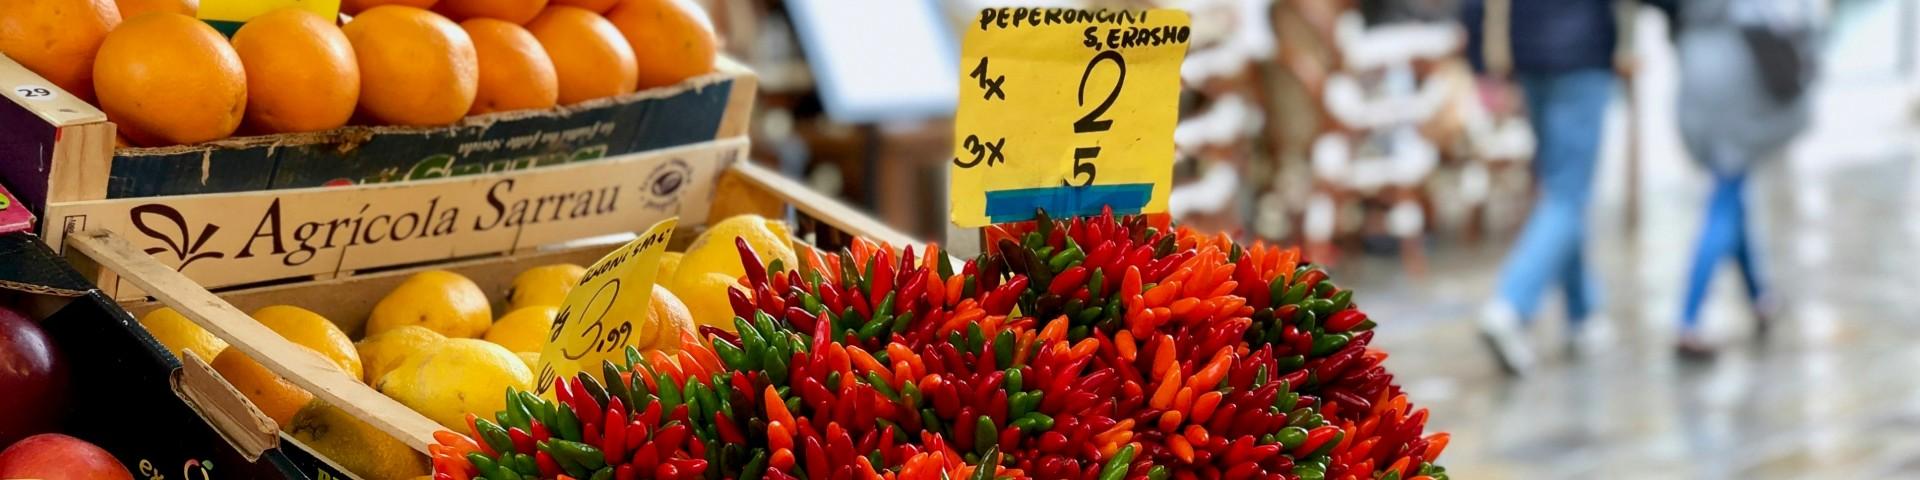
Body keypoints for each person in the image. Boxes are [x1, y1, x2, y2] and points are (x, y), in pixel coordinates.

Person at [1461, 0, 1674, 375]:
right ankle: (1510, 306)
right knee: (1567, 194)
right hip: (1581, 55)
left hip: (1530, 52)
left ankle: (1583, 315)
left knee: (1563, 187)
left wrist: (1483, 60)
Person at [1673, 0, 1820, 355]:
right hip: (1737, 78)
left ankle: (1760, 297)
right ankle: (1689, 319)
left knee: (1733, 192)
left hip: (1696, 71)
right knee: (1725, 200)